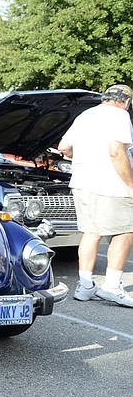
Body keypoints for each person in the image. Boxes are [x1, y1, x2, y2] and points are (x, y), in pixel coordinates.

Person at [58, 84, 133, 308]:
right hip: (110, 185)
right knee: (125, 231)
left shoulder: (86, 115)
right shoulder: (120, 116)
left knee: (91, 232)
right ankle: (111, 286)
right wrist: (131, 185)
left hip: (81, 183)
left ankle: (85, 286)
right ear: (127, 101)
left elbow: (64, 147)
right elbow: (116, 152)